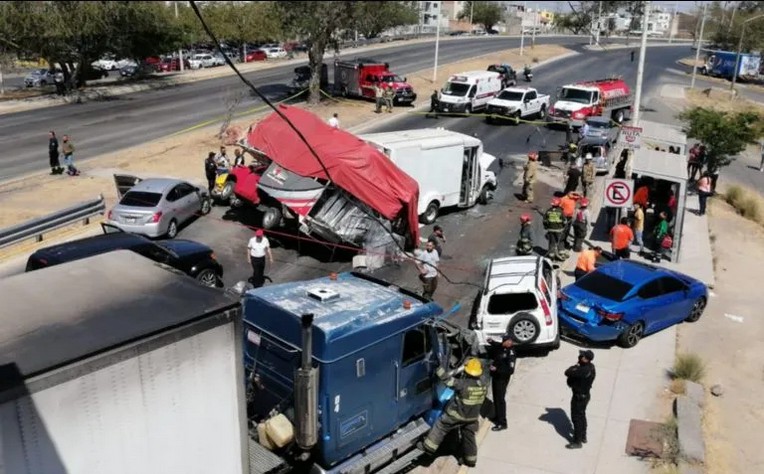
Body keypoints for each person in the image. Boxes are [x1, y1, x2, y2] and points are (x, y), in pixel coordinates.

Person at [421, 358, 488, 467]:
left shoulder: (463, 384)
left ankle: (429, 448)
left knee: (441, 425)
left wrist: (439, 368)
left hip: (457, 416)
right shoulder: (483, 385)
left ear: (467, 372)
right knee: (469, 437)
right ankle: (471, 460)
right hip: (472, 418)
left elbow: (449, 381)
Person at [565, 350, 596, 449]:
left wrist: (576, 365)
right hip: (585, 396)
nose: (580, 356)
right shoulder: (591, 367)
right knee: (582, 415)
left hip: (579, 398)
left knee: (576, 419)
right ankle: (583, 436)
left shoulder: (582, 370)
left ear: (585, 359)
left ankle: (577, 441)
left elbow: (567, 372)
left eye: (582, 356)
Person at [487, 335, 516, 432]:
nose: (504, 342)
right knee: (495, 398)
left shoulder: (511, 353)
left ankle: (502, 423)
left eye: (507, 341)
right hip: (496, 378)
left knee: (500, 400)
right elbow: (497, 345)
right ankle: (498, 416)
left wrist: (497, 369)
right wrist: (491, 341)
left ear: (510, 342)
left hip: (502, 379)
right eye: (504, 341)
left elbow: (510, 370)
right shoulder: (502, 347)